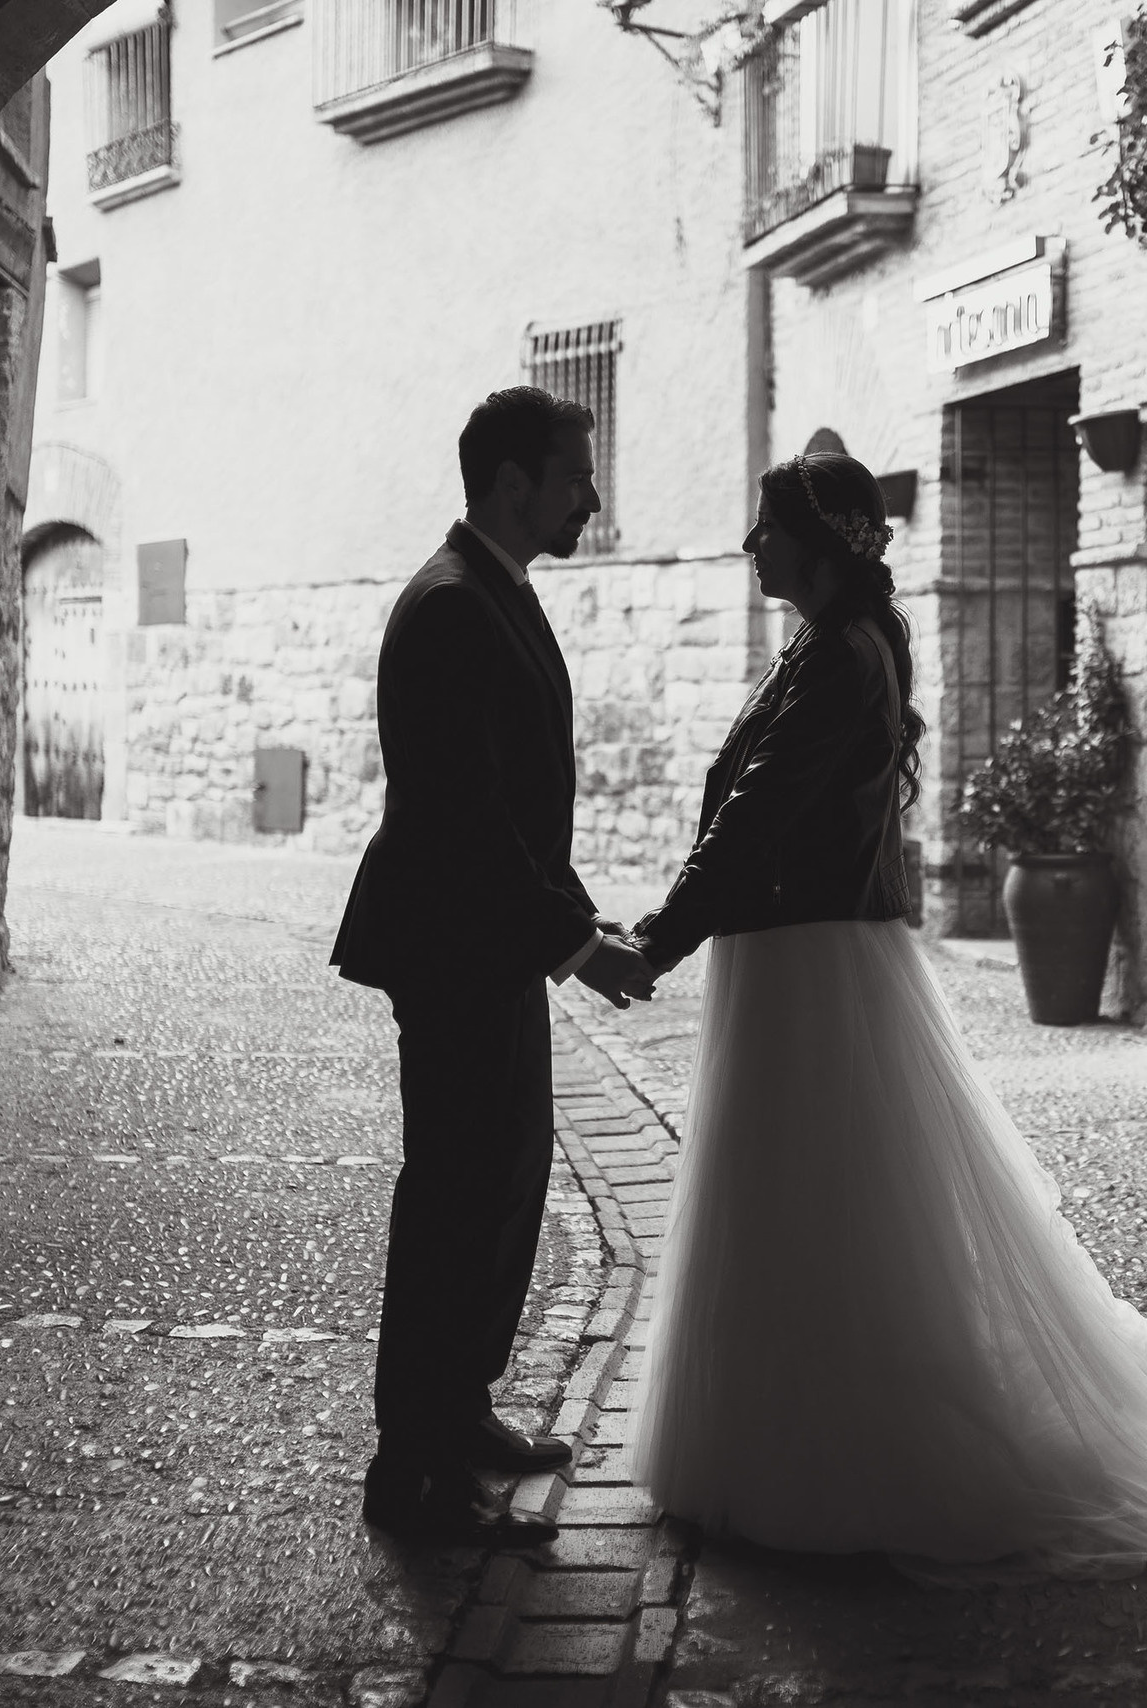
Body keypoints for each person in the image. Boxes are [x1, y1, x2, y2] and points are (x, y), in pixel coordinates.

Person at [621, 452, 1147, 1574]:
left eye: (764, 530)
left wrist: (657, 938)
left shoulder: (840, 657)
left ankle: (831, 1438)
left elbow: (760, 812)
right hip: (789, 954)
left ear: (815, 544)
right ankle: (799, 1410)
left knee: (818, 1192)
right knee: (799, 1193)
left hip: (810, 962)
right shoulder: (825, 644)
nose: (750, 548)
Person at [331, 386, 660, 1545]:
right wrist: (574, 946)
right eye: (575, 474)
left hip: (491, 945)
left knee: (504, 1184)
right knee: (455, 1201)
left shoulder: (493, 589)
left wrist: (572, 920)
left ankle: (457, 1412)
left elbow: (520, 809)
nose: (592, 494)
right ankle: (412, 1469)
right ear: (512, 481)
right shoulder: (451, 606)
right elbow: (466, 820)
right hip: (453, 947)